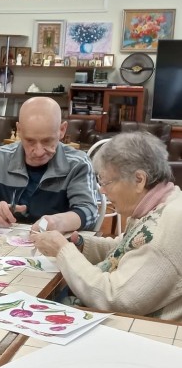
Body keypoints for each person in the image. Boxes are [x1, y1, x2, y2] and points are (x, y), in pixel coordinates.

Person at [31, 132, 182, 320]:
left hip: (144, 332)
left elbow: (114, 298)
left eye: (106, 182)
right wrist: (82, 246)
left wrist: (63, 251)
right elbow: (127, 248)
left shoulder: (161, 233)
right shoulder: (164, 203)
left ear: (139, 180)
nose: (101, 190)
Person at [0, 97, 98, 233]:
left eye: (47, 141)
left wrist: (59, 222)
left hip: (52, 247)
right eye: (30, 141)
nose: (39, 151)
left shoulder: (78, 164)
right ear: (19, 130)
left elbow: (89, 213)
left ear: (62, 130)